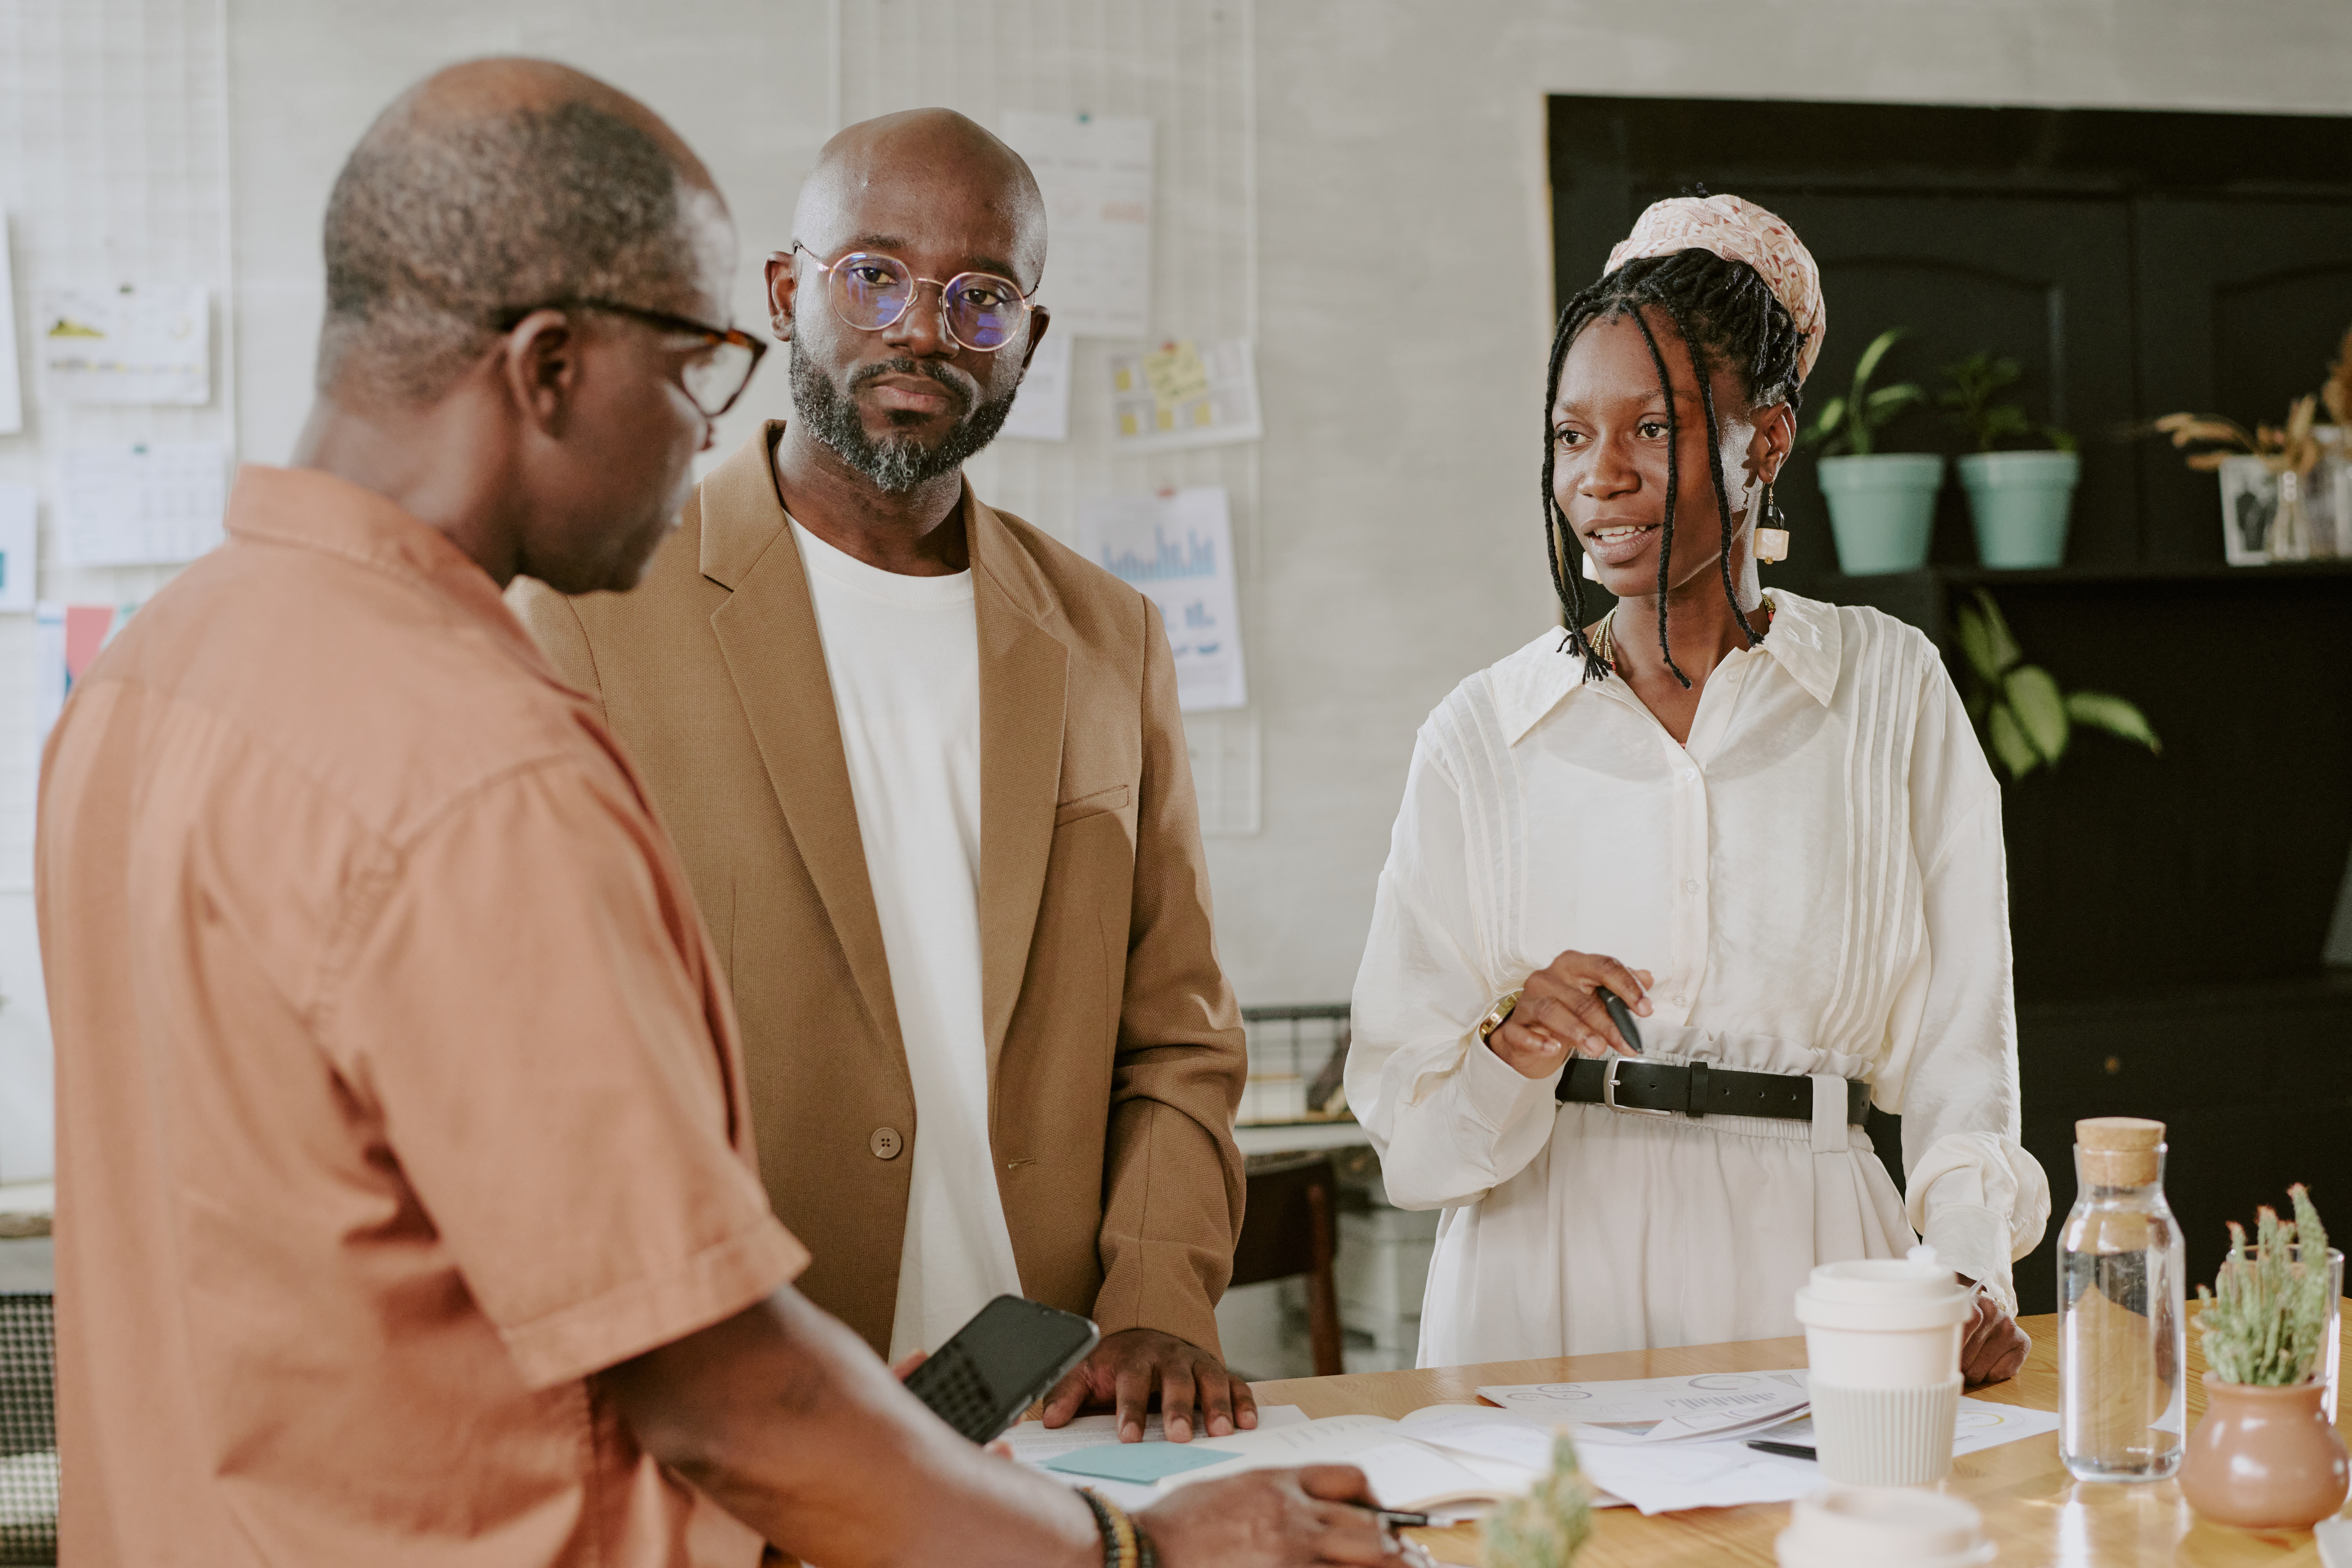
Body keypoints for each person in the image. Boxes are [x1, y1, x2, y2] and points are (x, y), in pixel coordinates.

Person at [40, 59, 1402, 1568]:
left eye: (975, 298)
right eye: (698, 364)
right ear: (551, 369)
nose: (707, 429)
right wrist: (1130, 1553)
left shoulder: (152, 672)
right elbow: (718, 1389)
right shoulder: (481, 759)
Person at [513, 109, 1251, 1445]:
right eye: (874, 275)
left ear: (1028, 338)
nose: (923, 329)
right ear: (784, 292)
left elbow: (1179, 1037)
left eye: (982, 297)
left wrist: (1159, 1295)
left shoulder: (1111, 638)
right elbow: (536, 1051)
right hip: (739, 1414)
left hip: (1053, 1404)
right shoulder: (589, 609)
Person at [1344, 195, 2050, 1384]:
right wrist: (1514, 1045)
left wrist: (1970, 1268)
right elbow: (1410, 1144)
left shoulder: (1889, 690)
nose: (1602, 476)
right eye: (1572, 435)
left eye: (1652, 428)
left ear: (1764, 442)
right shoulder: (1481, 735)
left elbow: (1963, 1059)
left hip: (1816, 1267)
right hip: (1539, 1275)